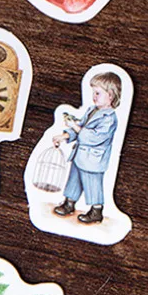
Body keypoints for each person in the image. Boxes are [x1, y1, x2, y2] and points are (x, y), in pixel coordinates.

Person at [52, 71, 121, 224]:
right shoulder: (92, 110)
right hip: (80, 155)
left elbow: (93, 137)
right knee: (74, 179)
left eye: (98, 93)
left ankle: (96, 210)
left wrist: (75, 126)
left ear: (110, 95)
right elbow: (80, 127)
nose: (94, 96)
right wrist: (64, 136)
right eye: (93, 92)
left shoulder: (109, 118)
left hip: (93, 159)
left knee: (92, 183)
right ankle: (69, 203)